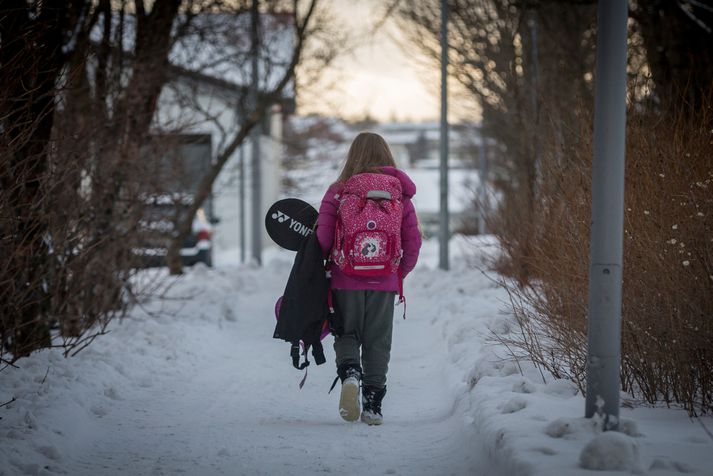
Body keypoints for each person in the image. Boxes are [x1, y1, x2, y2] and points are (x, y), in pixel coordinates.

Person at [316, 132, 422, 425]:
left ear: (353, 156)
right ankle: (373, 405)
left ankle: (350, 373)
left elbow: (323, 238)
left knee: (346, 332)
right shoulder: (398, 193)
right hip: (384, 281)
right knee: (378, 341)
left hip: (343, 278)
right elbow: (413, 242)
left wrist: (322, 266)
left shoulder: (339, 191)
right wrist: (397, 273)